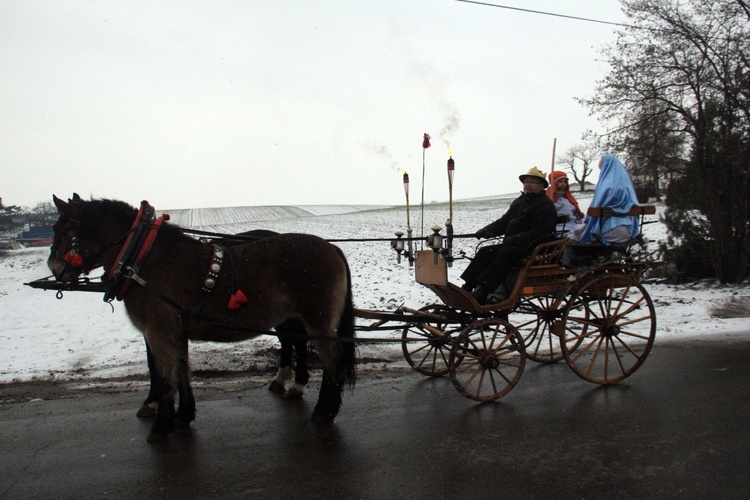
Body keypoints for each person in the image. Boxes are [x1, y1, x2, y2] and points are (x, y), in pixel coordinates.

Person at [461, 166, 557, 304]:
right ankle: (468, 287)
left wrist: (515, 239)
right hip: (514, 244)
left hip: (533, 247)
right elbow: (504, 221)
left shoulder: (545, 205)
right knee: (486, 251)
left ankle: (484, 291)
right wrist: (486, 230)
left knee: (506, 253)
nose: (528, 184)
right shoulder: (520, 201)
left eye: (532, 182)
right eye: (526, 181)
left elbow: (543, 232)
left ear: (541, 186)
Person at [573, 154, 640, 245]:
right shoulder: (627, 185)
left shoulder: (606, 186)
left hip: (609, 231)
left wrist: (586, 223)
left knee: (576, 235)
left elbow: (595, 209)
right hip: (629, 230)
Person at [546, 170, 584, 238]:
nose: (563, 184)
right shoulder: (548, 198)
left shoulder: (568, 198)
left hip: (574, 226)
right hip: (560, 229)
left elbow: (577, 216)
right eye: (560, 181)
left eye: (565, 182)